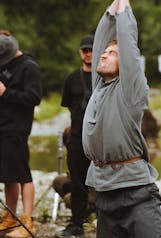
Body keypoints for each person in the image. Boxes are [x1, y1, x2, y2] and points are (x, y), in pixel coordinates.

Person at [82, 0, 161, 238]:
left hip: (136, 193)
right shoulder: (99, 86)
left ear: (124, 66)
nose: (104, 54)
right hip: (104, 193)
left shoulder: (130, 89)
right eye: (105, 53)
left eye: (112, 54)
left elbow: (128, 43)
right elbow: (101, 37)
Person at [0, 31, 42, 238]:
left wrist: (5, 93)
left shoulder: (29, 67)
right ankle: (10, 215)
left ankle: (27, 221)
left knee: (22, 174)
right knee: (8, 175)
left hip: (17, 128)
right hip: (3, 126)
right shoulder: (6, 65)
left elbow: (34, 98)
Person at [55, 35, 94, 238]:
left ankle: (109, 222)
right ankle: (76, 223)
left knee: (105, 182)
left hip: (99, 139)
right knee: (77, 183)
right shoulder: (72, 78)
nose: (88, 53)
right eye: (85, 50)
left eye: (91, 50)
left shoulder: (103, 75)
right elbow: (69, 107)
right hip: (77, 137)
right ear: (80, 52)